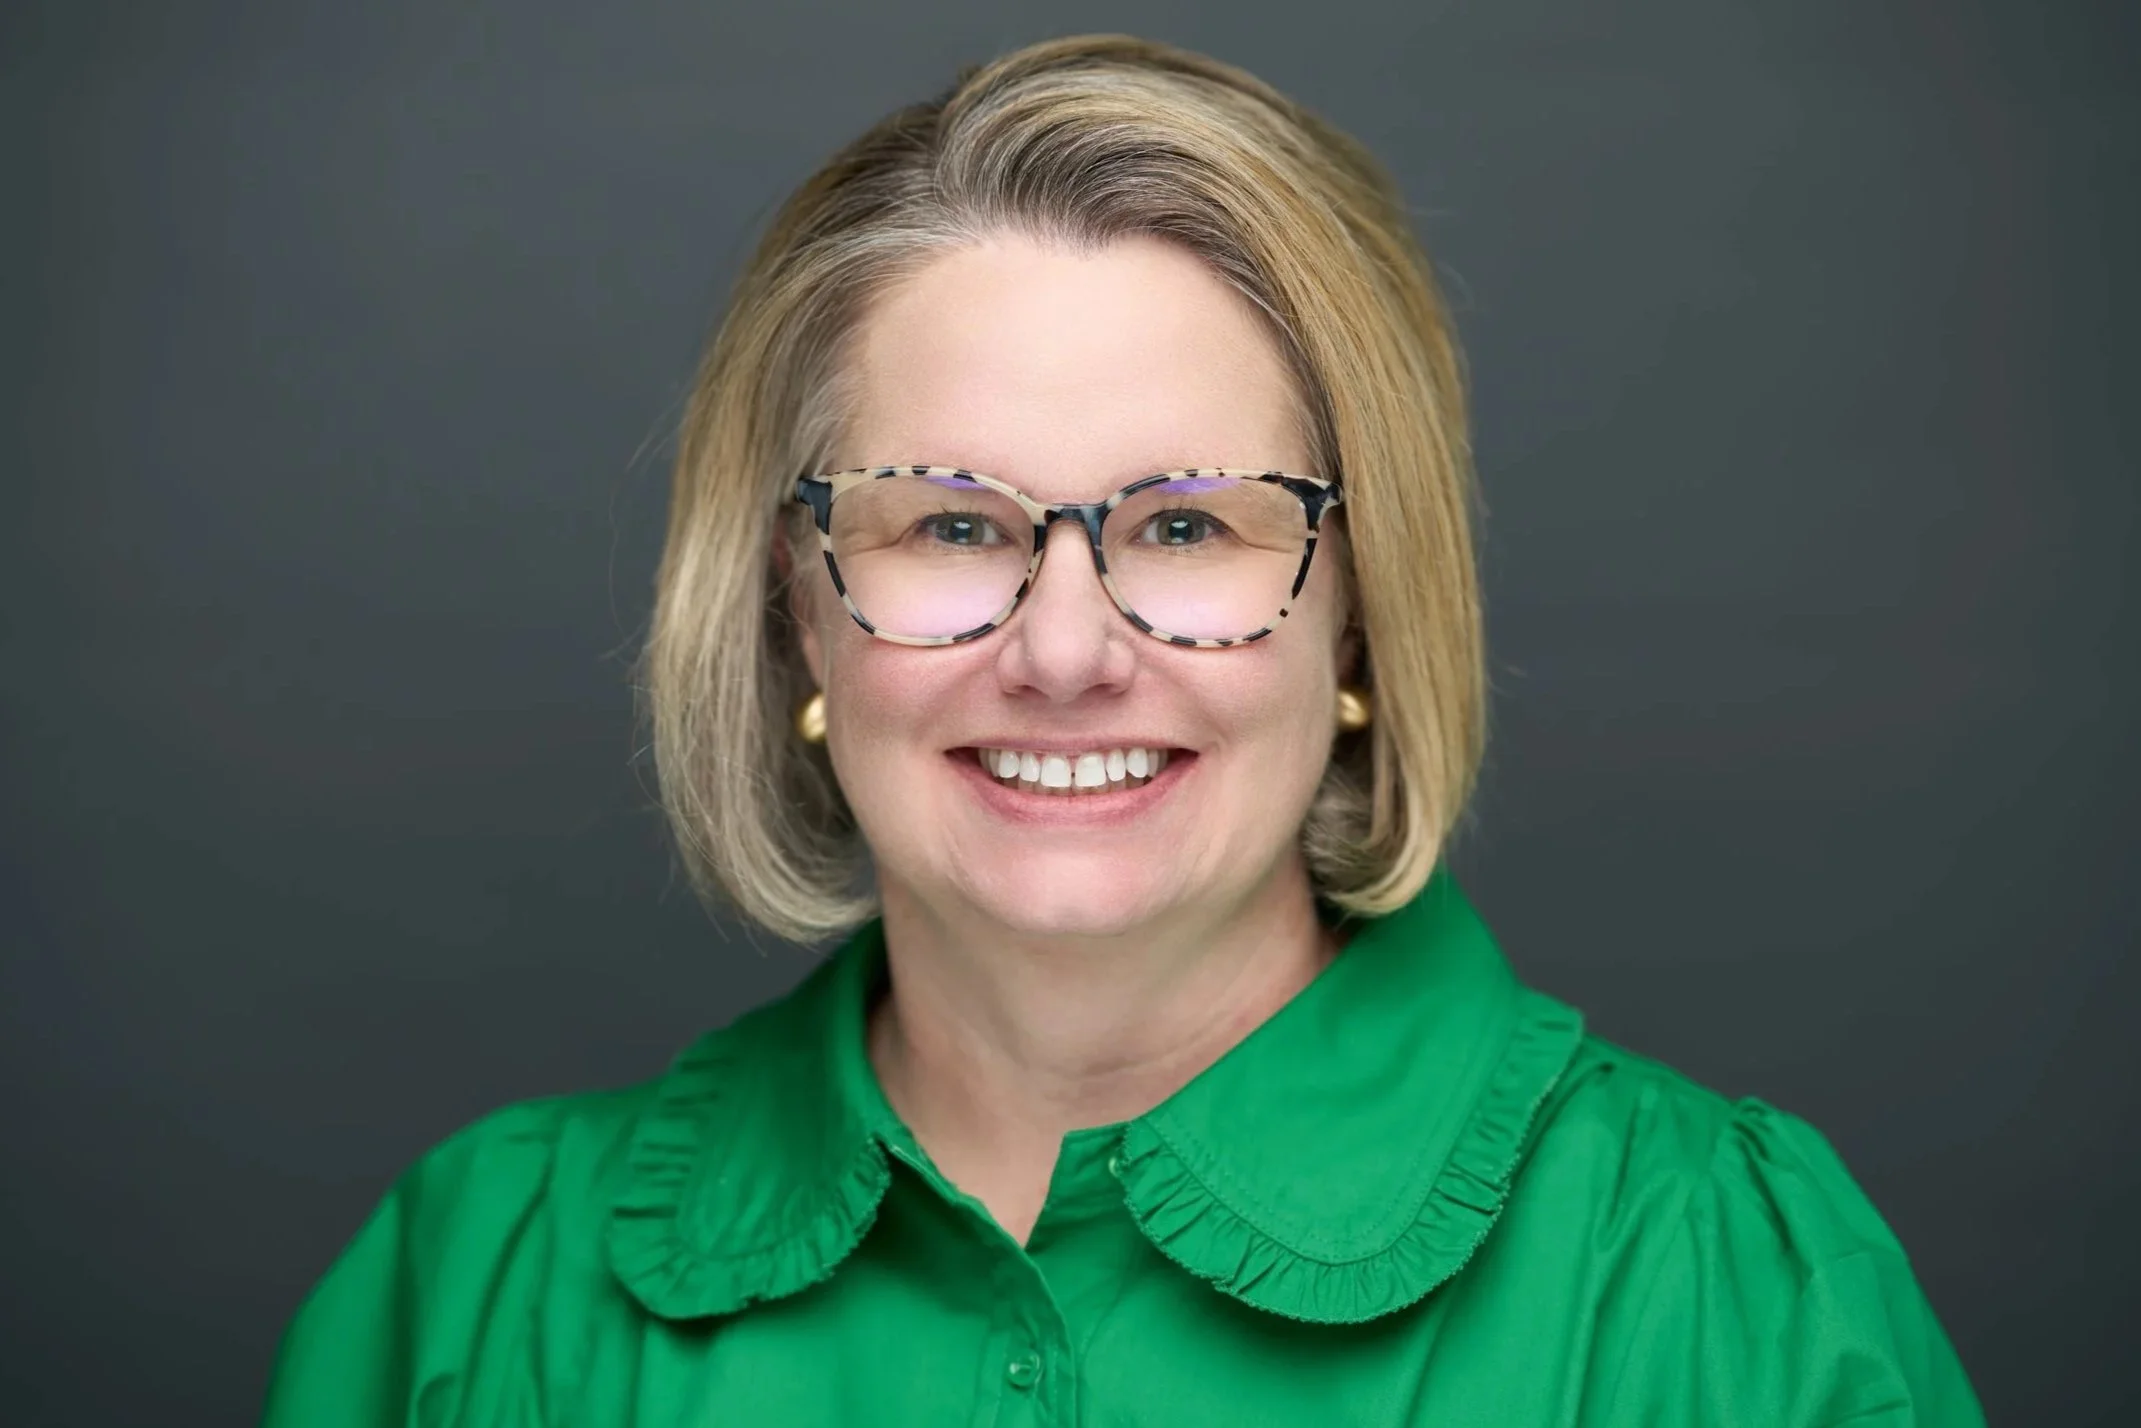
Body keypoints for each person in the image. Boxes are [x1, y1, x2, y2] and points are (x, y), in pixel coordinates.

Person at [261, 33, 1984, 1427]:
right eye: (947, 523)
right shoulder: (474, 1299)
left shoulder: (1718, 1293)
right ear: (799, 598)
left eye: (1188, 525)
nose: (1066, 650)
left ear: (1365, 603)